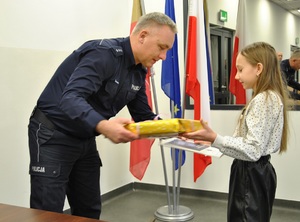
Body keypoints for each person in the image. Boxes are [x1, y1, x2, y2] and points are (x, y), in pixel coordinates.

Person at [28, 12, 177, 219]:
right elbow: (70, 98)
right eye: (162, 47)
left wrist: (171, 127)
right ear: (142, 35)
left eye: (167, 50)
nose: (163, 56)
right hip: (53, 135)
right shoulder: (103, 54)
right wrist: (105, 125)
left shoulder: (138, 70)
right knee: (47, 211)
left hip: (85, 138)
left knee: (89, 209)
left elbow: (143, 114)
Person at [181, 42, 289, 222]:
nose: (237, 76)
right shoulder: (269, 96)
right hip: (257, 173)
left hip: (251, 175)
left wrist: (215, 138)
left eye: (240, 69)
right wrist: (212, 142)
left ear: (258, 68)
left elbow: (253, 150)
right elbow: (251, 144)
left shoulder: (263, 99)